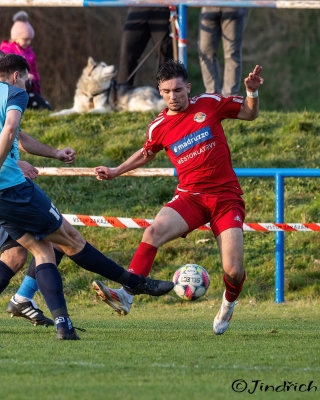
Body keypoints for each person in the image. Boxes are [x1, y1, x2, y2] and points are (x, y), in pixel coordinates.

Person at [0, 54, 174, 340]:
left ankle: (62, 325)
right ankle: (134, 283)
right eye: (26, 79)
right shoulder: (14, 93)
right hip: (10, 187)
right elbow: (10, 129)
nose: (27, 85)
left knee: (43, 250)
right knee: (71, 240)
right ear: (16, 76)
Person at [93, 59, 263, 335]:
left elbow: (249, 113)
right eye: (166, 91)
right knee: (153, 232)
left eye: (178, 90)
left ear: (188, 88)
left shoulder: (208, 103)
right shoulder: (158, 126)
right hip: (190, 197)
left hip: (225, 198)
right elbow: (146, 153)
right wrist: (115, 171)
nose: (173, 96)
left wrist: (252, 91)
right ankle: (126, 296)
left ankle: (228, 303)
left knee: (233, 271)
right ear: (160, 91)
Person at [0, 47, 76, 334]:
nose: (4, 74)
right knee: (28, 250)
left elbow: (15, 136)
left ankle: (18, 301)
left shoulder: (1, 98)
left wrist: (54, 153)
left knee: (46, 244)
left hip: (2, 183)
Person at [0, 11, 52, 111]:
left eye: (30, 39)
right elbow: (5, 72)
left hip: (29, 89)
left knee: (45, 107)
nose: (28, 42)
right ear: (15, 38)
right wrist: (23, 76)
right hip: (12, 90)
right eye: (25, 39)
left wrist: (36, 86)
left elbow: (35, 72)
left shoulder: (30, 53)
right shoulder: (7, 52)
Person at [117, 7, 173, 90]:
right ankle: (121, 92)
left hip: (163, 8)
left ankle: (163, 95)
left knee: (164, 52)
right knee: (127, 52)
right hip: (138, 6)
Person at [198, 7, 248, 96]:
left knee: (232, 53)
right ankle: (212, 95)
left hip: (233, 7)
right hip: (208, 6)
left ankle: (230, 97)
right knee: (205, 52)